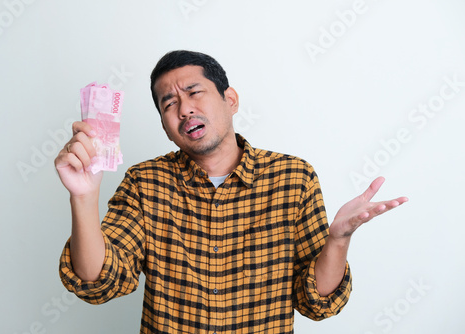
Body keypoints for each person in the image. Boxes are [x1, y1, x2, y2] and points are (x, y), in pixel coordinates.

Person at [55, 50, 408, 333]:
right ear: (164, 125)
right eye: (169, 103)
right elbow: (99, 282)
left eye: (194, 92)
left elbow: (316, 303)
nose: (184, 108)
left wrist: (339, 240)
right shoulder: (144, 182)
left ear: (231, 99)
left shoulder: (293, 178)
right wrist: (83, 197)